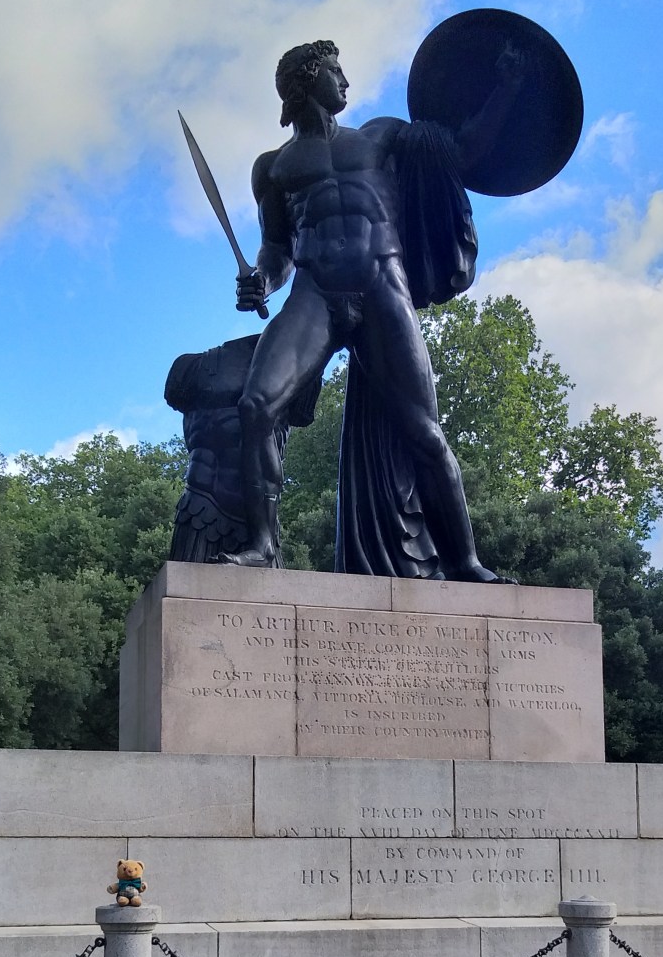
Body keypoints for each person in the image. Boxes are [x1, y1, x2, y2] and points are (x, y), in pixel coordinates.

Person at [220, 39, 522, 581]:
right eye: (335, 71)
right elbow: (277, 247)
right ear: (307, 80)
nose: (346, 82)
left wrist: (507, 88)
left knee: (424, 434)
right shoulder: (272, 167)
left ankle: (465, 561)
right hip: (316, 293)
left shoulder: (380, 137)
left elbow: (465, 150)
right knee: (256, 406)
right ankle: (262, 544)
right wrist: (261, 282)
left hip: (383, 286)